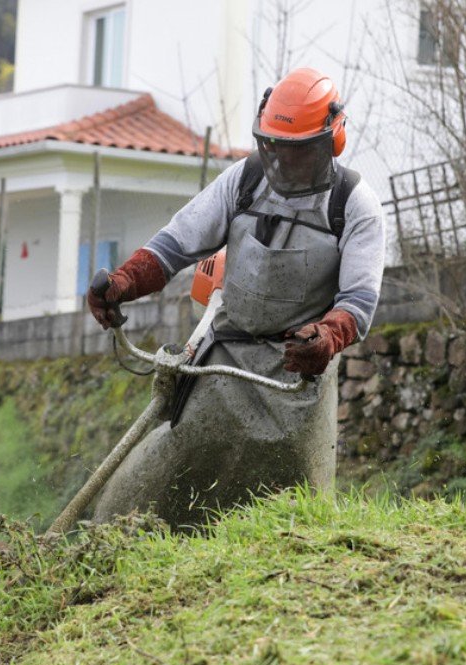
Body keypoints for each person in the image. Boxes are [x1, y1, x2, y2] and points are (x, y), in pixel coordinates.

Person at [88, 68, 385, 531]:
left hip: (297, 374)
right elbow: (176, 243)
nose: (283, 164)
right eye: (274, 149)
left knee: (285, 498)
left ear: (332, 141)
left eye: (297, 152)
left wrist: (326, 337)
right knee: (171, 462)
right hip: (224, 356)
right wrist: (123, 282)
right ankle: (109, 534)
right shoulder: (245, 180)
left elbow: (359, 301)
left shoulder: (353, 204)